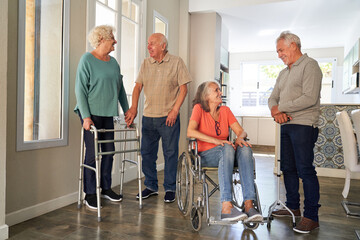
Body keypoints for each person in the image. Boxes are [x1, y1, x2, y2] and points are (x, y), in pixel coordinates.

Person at [125, 33, 191, 203]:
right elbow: (138, 87)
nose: (149, 47)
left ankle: (170, 188)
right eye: (148, 43)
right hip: (149, 117)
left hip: (169, 117)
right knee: (147, 153)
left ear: (163, 46)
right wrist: (133, 107)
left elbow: (183, 88)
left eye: (152, 44)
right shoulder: (146, 63)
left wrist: (175, 110)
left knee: (170, 153)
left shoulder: (176, 62)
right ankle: (151, 186)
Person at [268, 31, 322, 234]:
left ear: (293, 45)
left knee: (305, 170)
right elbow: (272, 98)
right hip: (286, 125)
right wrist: (275, 110)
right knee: (288, 168)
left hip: (304, 125)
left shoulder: (310, 66)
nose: (279, 54)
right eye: (277, 51)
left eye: (281, 50)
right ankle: (293, 207)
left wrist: (281, 107)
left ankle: (311, 217)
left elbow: (309, 98)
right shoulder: (283, 73)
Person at [187, 81, 263, 222]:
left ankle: (249, 206)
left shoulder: (225, 111)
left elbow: (241, 131)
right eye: (216, 90)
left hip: (226, 153)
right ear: (206, 96)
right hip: (206, 155)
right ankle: (226, 207)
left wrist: (240, 138)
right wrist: (216, 141)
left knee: (245, 147)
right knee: (226, 147)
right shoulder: (199, 109)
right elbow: (190, 131)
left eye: (220, 90)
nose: (220, 93)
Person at [74, 25, 129, 210]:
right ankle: (89, 193)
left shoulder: (113, 63)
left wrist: (127, 111)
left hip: (108, 112)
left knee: (109, 151)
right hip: (90, 113)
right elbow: (80, 90)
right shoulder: (87, 59)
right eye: (112, 37)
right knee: (92, 153)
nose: (115, 41)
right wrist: (86, 117)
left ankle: (105, 188)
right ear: (102, 39)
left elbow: (120, 90)